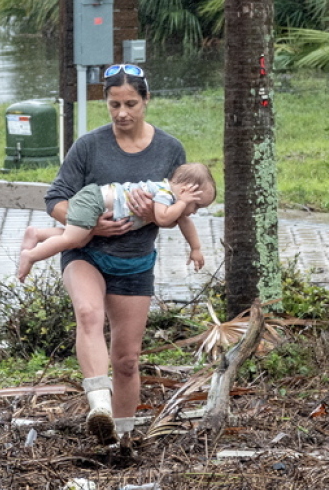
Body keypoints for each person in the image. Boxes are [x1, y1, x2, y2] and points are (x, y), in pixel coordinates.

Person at [42, 63, 197, 446]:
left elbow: (178, 209)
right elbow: (55, 200)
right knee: (89, 314)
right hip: (87, 252)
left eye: (131, 103)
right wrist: (91, 227)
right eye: (114, 105)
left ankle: (121, 441)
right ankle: (99, 406)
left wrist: (156, 218)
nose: (122, 113)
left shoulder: (169, 148)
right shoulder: (90, 145)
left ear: (146, 100)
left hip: (135, 263)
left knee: (127, 361)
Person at [17, 162, 215, 282]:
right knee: (72, 239)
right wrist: (183, 204)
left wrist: (195, 248)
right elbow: (163, 218)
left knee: (80, 239)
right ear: (185, 191)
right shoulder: (164, 193)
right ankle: (31, 256)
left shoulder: (174, 200)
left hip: (96, 201)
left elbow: (185, 221)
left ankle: (38, 234)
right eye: (196, 205)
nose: (194, 211)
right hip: (94, 201)